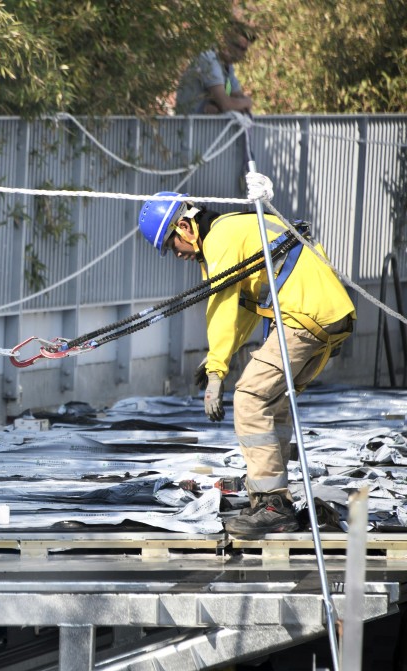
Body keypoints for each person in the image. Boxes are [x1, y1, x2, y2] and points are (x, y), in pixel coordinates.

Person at [138, 190, 355, 536]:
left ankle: (272, 504)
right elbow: (245, 310)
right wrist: (215, 359)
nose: (175, 255)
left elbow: (222, 307)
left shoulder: (221, 239)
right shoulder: (231, 231)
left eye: (171, 244)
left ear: (185, 227)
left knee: (250, 398)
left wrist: (216, 373)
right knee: (272, 402)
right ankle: (275, 499)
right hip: (323, 310)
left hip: (305, 313)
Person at [174, 20, 256, 115]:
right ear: (223, 40)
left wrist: (239, 103)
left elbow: (237, 96)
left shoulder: (227, 66)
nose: (239, 53)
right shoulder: (208, 59)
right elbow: (226, 104)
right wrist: (247, 102)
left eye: (244, 49)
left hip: (205, 125)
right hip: (189, 125)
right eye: (237, 46)